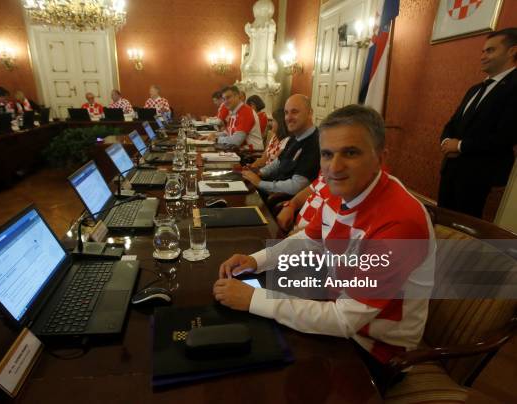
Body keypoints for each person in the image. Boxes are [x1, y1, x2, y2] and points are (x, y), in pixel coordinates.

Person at [214, 104, 435, 391]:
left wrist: (254, 300)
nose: (335, 167)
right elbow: (309, 239)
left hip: (375, 351)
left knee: (252, 372)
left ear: (381, 157)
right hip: (332, 306)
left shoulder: (400, 224)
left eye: (351, 152)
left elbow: (345, 320)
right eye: (327, 154)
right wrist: (256, 261)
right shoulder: (340, 188)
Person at [438, 28, 517, 218]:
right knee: (443, 222)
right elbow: (453, 122)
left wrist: (460, 146)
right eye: (483, 51)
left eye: (490, 50)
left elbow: (505, 136)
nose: (482, 56)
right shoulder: (475, 89)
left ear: (512, 51)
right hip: (451, 169)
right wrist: (446, 141)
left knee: (465, 235)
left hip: (479, 175)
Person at [241, 94, 319, 195]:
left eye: (294, 112)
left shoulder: (315, 143)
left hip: (278, 199)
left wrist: (260, 183)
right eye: (286, 113)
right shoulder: (294, 137)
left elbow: (296, 186)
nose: (288, 118)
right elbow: (278, 162)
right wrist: (260, 172)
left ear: (310, 113)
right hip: (271, 186)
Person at [203, 86, 263, 151]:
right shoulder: (234, 111)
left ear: (237, 96)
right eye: (223, 99)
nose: (225, 102)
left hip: (251, 153)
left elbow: (236, 141)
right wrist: (213, 135)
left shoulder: (246, 112)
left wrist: (217, 139)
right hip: (238, 151)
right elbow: (227, 133)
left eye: (228, 97)